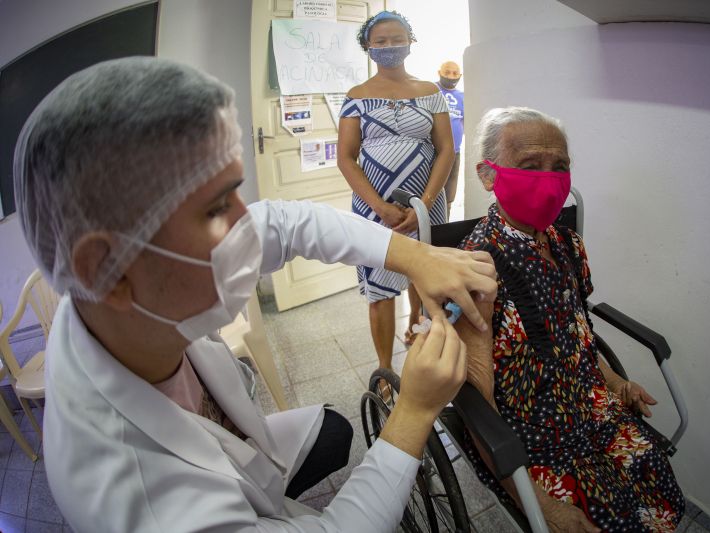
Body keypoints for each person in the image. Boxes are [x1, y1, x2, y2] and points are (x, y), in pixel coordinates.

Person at [12, 57, 497, 532]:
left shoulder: (130, 302)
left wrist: (417, 257)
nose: (249, 222)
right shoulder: (141, 502)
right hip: (218, 484)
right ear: (105, 269)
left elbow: (286, 222)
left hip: (243, 451)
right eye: (218, 207)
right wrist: (414, 409)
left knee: (335, 431)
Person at [457, 107, 685, 532]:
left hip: (588, 406)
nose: (548, 179)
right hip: (531, 436)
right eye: (529, 166)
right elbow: (478, 404)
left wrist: (616, 383)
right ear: (488, 176)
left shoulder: (568, 244)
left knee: (656, 475)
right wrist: (541, 505)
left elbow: (577, 332)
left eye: (559, 167)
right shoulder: (475, 270)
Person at [338, 11, 455, 369]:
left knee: (422, 271)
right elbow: (346, 158)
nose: (390, 47)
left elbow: (446, 149)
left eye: (397, 39)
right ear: (368, 48)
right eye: (381, 41)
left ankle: (416, 326)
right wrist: (381, 207)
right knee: (380, 286)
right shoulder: (356, 96)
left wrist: (428, 202)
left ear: (410, 43)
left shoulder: (430, 92)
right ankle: (386, 368)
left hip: (426, 204)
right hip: (375, 208)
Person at [435, 60, 465, 219]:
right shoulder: (431, 90)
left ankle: (444, 225)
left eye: (455, 73)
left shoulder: (463, 97)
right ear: (439, 72)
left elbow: (465, 123)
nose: (451, 76)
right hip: (434, 152)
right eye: (447, 72)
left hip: (455, 153)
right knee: (430, 193)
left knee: (448, 197)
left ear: (460, 76)